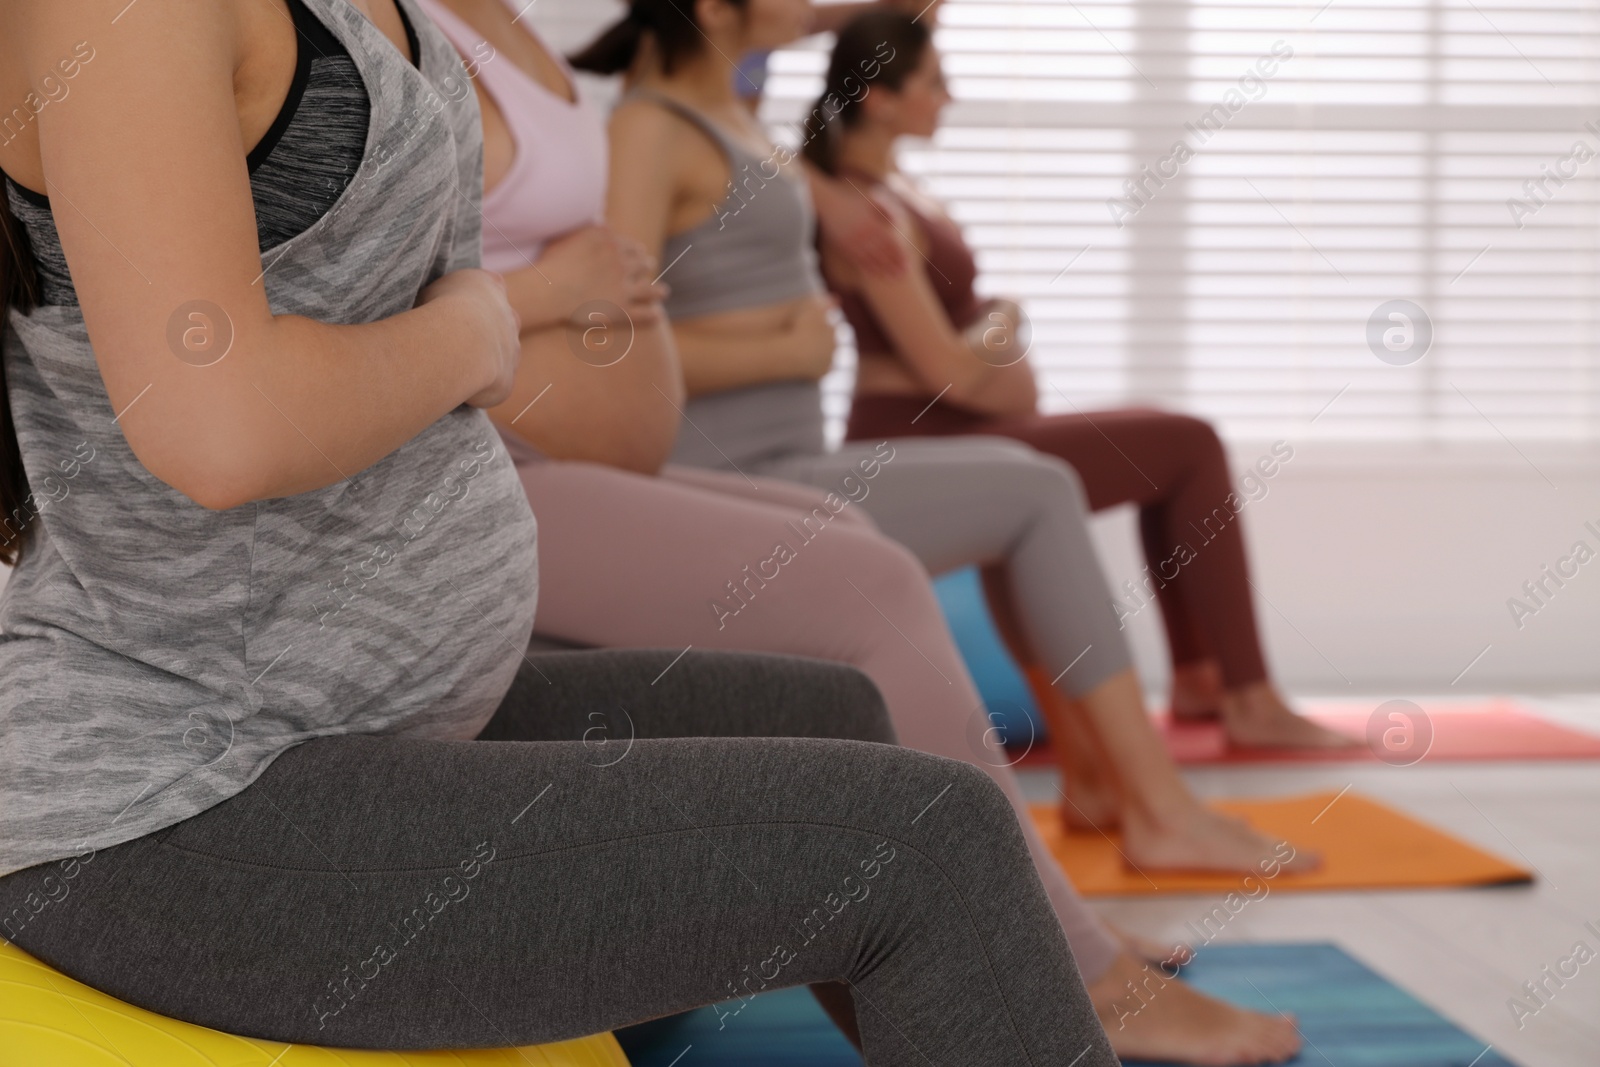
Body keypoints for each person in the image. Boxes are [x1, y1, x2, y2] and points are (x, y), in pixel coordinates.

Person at [0, 1, 1119, 1062]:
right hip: (180, 788)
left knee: (842, 710)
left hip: (341, 714)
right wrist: (482, 331)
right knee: (929, 842)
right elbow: (221, 427)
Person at [408, 1, 1300, 1061]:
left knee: (849, 535)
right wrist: (756, 332)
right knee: (870, 578)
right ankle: (1083, 964)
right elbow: (409, 297)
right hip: (493, 467)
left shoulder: (534, 49)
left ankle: (1043, 919)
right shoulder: (431, 53)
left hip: (582, 451)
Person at [575, 0, 1323, 875]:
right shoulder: (648, 128)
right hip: (722, 479)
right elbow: (604, 346)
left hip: (796, 459)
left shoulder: (735, 118)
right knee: (1036, 487)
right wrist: (784, 346)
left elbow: (831, 28)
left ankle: (1117, 787)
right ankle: (1158, 810)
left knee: (1027, 477)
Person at [808, 10, 1353, 756]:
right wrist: (1003, 339)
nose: (950, 96)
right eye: (935, 81)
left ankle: (1201, 681)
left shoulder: (896, 190)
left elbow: (967, 349)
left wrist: (995, 335)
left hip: (964, 424)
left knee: (1173, 445)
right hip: (922, 434)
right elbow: (947, 374)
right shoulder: (868, 215)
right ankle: (1249, 696)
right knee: (1189, 443)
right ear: (881, 97)